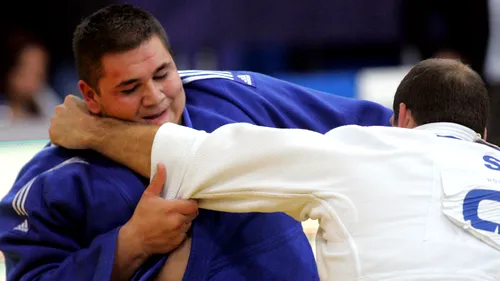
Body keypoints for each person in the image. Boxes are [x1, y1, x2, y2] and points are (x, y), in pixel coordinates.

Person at [0, 4, 393, 281]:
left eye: (162, 73)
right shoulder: (51, 180)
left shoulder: (230, 96)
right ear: (90, 95)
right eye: (129, 88)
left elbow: (373, 127)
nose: (154, 96)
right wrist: (128, 245)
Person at [49, 58, 499, 281]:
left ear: (401, 117)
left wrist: (91, 131)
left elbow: (192, 157)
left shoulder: (368, 148)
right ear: (482, 129)